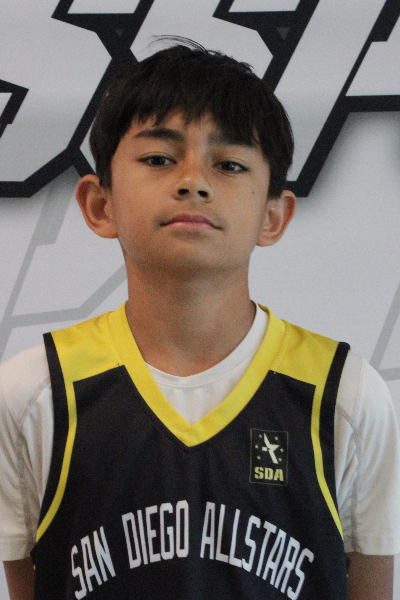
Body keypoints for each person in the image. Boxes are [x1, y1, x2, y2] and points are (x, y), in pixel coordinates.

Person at [1, 39, 399, 600]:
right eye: (159, 159)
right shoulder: (34, 393)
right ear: (99, 204)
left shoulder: (345, 396)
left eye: (230, 164)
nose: (193, 181)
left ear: (274, 216)